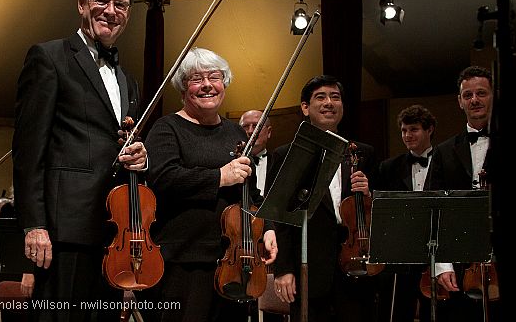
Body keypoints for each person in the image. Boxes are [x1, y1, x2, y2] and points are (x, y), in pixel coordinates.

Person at [12, 0, 147, 322]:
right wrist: (34, 225)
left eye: (121, 4)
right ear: (81, 4)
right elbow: (28, 150)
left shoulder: (127, 80)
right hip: (62, 230)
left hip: (111, 230)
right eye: (101, 0)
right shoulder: (49, 57)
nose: (111, 10)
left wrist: (139, 154)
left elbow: (118, 144)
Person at [141, 47, 278, 322]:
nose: (207, 85)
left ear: (224, 83)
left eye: (214, 77)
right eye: (196, 79)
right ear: (183, 89)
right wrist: (219, 177)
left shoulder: (236, 133)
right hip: (183, 259)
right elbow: (164, 178)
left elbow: (250, 192)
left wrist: (268, 228)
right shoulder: (167, 128)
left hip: (235, 259)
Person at [269, 74, 377, 322]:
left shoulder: (363, 153)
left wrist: (369, 193)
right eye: (321, 97)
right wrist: (283, 269)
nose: (329, 102)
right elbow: (280, 218)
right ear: (305, 108)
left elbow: (379, 211)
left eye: (335, 97)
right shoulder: (286, 155)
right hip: (309, 268)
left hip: (356, 264)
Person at [428, 66, 499, 322]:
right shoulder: (443, 151)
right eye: (467, 95)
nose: (474, 100)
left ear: (494, 96)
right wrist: (442, 264)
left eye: (481, 93)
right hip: (459, 263)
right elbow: (433, 208)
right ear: (459, 101)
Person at [374, 104, 438, 322]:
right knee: (396, 312)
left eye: (414, 129)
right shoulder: (388, 167)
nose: (408, 135)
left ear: (429, 130)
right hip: (400, 255)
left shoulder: (446, 160)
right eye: (404, 130)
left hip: (435, 251)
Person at [239, 110, 273, 196]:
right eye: (245, 126)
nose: (250, 131)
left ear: (269, 132)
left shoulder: (279, 162)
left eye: (256, 126)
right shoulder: (232, 164)